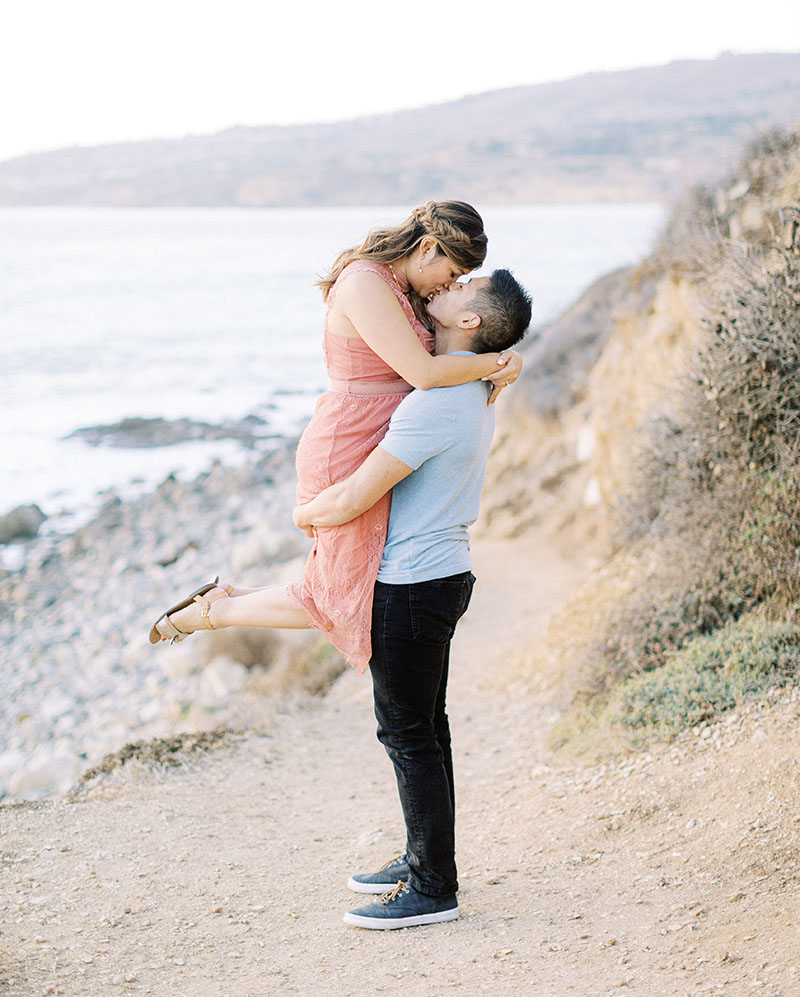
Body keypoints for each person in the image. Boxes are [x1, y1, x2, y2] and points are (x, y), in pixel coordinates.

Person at [150, 202, 522, 664]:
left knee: (349, 581)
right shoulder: (367, 283)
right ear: (428, 248)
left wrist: (504, 359)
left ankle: (226, 595)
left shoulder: (406, 289)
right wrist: (497, 363)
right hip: (349, 440)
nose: (449, 285)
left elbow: (452, 347)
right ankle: (209, 614)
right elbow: (424, 373)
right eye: (453, 272)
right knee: (337, 596)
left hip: (381, 437)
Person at [291, 268, 532, 928]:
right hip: (439, 574)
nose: (448, 286)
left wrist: (305, 514)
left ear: (469, 323)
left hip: (413, 584)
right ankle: (425, 857)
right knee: (428, 728)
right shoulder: (479, 386)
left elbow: (357, 493)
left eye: (462, 287)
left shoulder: (438, 401)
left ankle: (433, 886)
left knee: (408, 734)